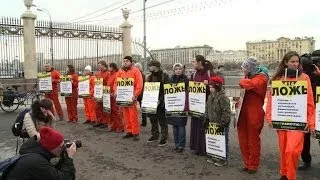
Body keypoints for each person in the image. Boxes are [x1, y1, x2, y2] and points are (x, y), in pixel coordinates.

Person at [266, 51, 315, 180]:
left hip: (299, 121)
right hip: (281, 120)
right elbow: (271, 100)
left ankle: (290, 176)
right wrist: (269, 117)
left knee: (292, 150)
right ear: (286, 63)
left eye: (297, 61)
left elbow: (310, 101)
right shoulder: (278, 78)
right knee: (283, 150)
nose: (295, 64)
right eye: (292, 61)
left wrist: (311, 122)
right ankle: (284, 173)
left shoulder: (305, 77)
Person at [2, 127, 76, 179]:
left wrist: (63, 157)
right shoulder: (37, 161)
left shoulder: (35, 151)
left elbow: (53, 173)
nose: (64, 148)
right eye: (61, 146)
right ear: (51, 148)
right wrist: (69, 158)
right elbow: (65, 178)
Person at [237, 57, 268, 174]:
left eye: (244, 69)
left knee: (253, 140)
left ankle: (253, 165)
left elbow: (251, 85)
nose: (243, 71)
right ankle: (247, 163)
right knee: (243, 140)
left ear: (250, 69)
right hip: (243, 112)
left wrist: (242, 81)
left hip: (254, 113)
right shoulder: (249, 76)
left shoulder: (262, 78)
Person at [189, 55, 215, 156]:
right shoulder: (194, 74)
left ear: (199, 62)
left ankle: (205, 148)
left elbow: (217, 86)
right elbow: (190, 88)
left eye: (194, 62)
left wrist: (208, 84)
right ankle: (197, 147)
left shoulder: (209, 73)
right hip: (196, 104)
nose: (193, 63)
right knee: (196, 125)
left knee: (204, 125)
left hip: (206, 104)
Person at [298, 50, 320, 170]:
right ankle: (306, 160)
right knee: (304, 139)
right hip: (306, 110)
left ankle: (306, 160)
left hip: (316, 109)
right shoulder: (303, 76)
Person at [114, 56, 143, 141]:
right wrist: (116, 91)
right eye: (124, 61)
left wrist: (135, 95)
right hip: (123, 97)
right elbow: (116, 83)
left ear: (131, 62)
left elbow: (139, 83)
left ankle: (135, 132)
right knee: (126, 115)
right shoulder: (120, 71)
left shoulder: (135, 71)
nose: (125, 62)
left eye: (127, 61)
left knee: (133, 115)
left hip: (131, 97)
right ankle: (129, 131)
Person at [205, 76, 231, 166]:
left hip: (221, 123)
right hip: (212, 122)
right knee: (214, 140)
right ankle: (215, 156)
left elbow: (226, 111)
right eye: (210, 87)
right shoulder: (210, 96)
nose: (210, 89)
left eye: (212, 87)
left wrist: (224, 122)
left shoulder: (222, 97)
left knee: (223, 141)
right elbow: (207, 108)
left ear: (217, 87)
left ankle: (224, 159)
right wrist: (206, 118)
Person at [146, 60, 170, 146]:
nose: (149, 67)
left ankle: (164, 138)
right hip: (151, 102)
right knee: (153, 119)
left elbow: (167, 90)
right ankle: (154, 135)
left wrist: (160, 99)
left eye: (150, 66)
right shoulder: (149, 76)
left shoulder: (164, 76)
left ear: (155, 67)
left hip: (161, 102)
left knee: (162, 120)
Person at [166, 63, 189, 152]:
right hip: (173, 106)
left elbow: (188, 92)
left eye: (179, 69)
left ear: (182, 70)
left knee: (181, 126)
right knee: (174, 126)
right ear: (173, 70)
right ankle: (176, 144)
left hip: (182, 106)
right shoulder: (170, 79)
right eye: (176, 69)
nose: (178, 70)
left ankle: (181, 146)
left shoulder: (186, 79)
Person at [107, 63, 124, 133]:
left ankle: (120, 127)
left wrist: (114, 92)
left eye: (110, 67)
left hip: (114, 95)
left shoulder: (117, 74)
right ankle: (113, 126)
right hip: (109, 95)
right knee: (110, 112)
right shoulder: (110, 75)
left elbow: (116, 84)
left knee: (116, 112)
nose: (109, 68)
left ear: (113, 67)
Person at [94, 61, 110, 129]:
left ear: (104, 65)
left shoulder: (108, 73)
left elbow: (108, 83)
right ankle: (99, 121)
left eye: (100, 65)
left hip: (104, 92)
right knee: (98, 108)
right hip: (99, 93)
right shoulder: (98, 73)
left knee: (104, 108)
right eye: (98, 65)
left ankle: (105, 122)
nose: (98, 67)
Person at [135, 62, 147, 127]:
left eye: (136, 67)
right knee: (143, 108)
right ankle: (144, 121)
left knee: (143, 108)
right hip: (141, 93)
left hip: (141, 93)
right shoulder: (142, 74)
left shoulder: (140, 74)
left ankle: (144, 122)